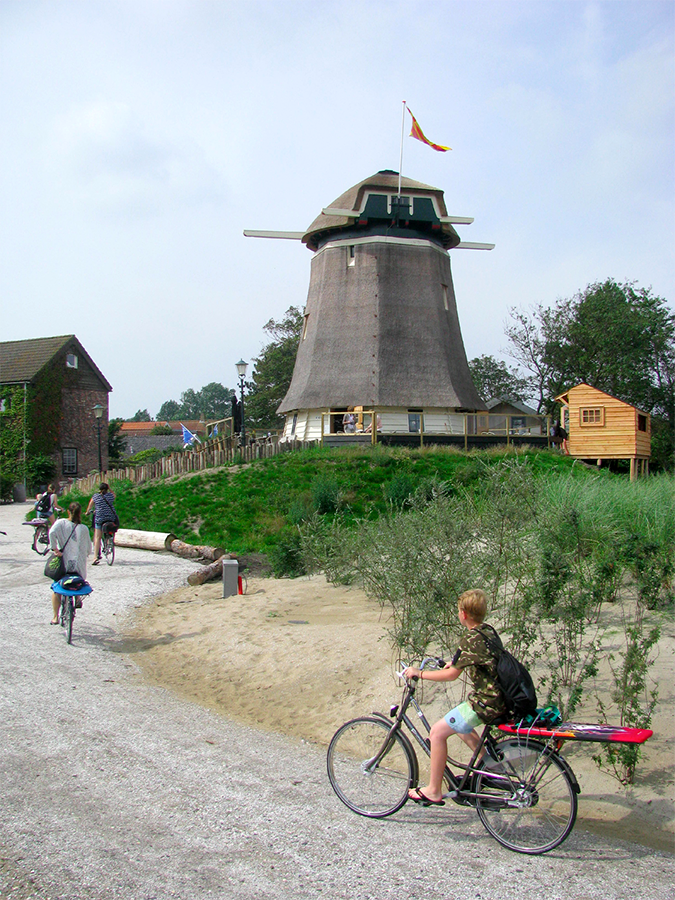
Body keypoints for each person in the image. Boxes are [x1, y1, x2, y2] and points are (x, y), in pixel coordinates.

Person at [403, 588, 506, 806]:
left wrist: (419, 673)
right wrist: (455, 662)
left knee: (437, 733)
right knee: (459, 724)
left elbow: (451, 676)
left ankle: (433, 790)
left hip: (486, 702)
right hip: (499, 699)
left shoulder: (471, 637)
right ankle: (489, 769)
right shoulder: (487, 631)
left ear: (464, 614)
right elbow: (477, 659)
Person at [48, 502, 91, 624]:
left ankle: (55, 617)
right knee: (78, 580)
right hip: (79, 566)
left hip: (65, 564)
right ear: (80, 513)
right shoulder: (84, 529)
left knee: (57, 588)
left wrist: (55, 549)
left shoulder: (61, 523)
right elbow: (88, 549)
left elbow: (51, 533)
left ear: (68, 511)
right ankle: (77, 597)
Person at [86, 482, 117, 565]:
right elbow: (114, 495)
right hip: (110, 518)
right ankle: (109, 542)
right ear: (107, 489)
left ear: (99, 489)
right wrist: (110, 488)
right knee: (109, 530)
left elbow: (90, 505)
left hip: (100, 518)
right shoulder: (110, 496)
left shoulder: (96, 496)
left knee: (97, 537)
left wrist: (87, 512)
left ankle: (95, 557)